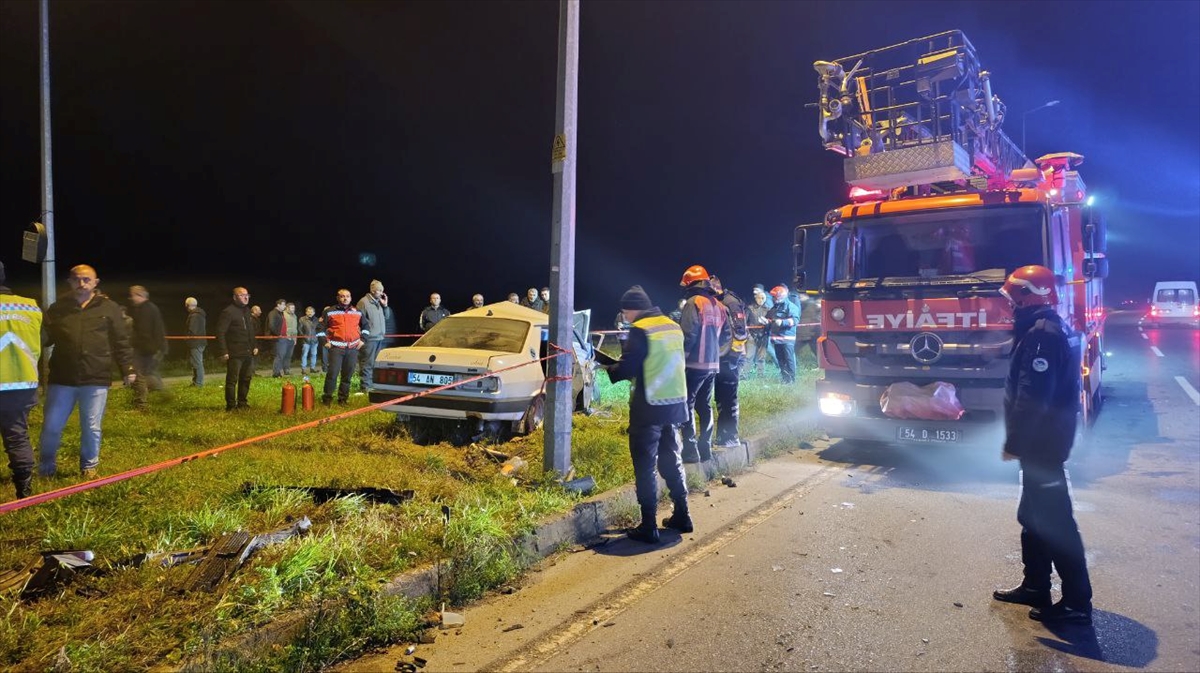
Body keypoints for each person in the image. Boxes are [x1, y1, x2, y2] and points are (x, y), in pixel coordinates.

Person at [992, 265, 1093, 625]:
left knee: (1055, 522)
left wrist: (1015, 443)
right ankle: (1035, 585)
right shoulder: (1041, 330)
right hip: (1042, 442)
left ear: (1030, 295)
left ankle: (1077, 602)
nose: (1010, 305)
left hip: (1042, 445)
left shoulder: (1041, 336)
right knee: (1032, 516)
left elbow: (1032, 398)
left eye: (1014, 297)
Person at [602, 285, 691, 544]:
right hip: (674, 404)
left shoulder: (641, 330)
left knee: (645, 465)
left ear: (632, 309)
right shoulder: (672, 325)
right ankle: (683, 515)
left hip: (648, 406)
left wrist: (609, 367)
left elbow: (629, 366)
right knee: (671, 458)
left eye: (625, 312)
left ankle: (649, 525)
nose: (625, 317)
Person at [38, 264, 136, 478]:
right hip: (62, 378)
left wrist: (128, 368)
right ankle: (46, 469)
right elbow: (45, 340)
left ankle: (89, 467)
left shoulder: (109, 308)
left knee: (91, 426)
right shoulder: (58, 308)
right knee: (52, 426)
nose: (81, 283)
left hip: (96, 377)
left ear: (95, 282)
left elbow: (121, 341)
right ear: (70, 282)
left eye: (86, 279)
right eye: (76, 279)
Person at [678, 265, 730, 469]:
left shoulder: (693, 303)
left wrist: (681, 359)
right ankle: (705, 448)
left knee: (688, 405)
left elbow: (688, 335)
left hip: (694, 365)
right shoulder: (719, 306)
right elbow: (727, 336)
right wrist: (716, 353)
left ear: (691, 284)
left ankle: (690, 452)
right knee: (704, 405)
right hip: (713, 364)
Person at [0, 262, 42, 499]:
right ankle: (24, 490)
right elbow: (43, 339)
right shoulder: (31, 307)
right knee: (17, 435)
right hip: (22, 384)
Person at [709, 275, 748, 448]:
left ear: (714, 289)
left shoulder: (730, 302)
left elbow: (740, 333)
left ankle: (731, 436)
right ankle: (723, 436)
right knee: (721, 397)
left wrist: (733, 359)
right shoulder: (718, 301)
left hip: (731, 358)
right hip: (722, 358)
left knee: (729, 398)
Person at [215, 287, 258, 412]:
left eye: (247, 295)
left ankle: (242, 403)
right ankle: (231, 406)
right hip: (235, 352)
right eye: (242, 295)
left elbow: (251, 331)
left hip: (248, 352)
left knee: (246, 378)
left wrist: (254, 345)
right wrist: (223, 351)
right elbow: (220, 332)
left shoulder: (247, 311)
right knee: (232, 380)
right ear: (235, 297)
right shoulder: (228, 312)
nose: (246, 297)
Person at [322, 289, 365, 405]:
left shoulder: (358, 312)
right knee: (332, 374)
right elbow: (319, 329)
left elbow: (366, 327)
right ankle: (327, 398)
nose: (345, 298)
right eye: (342, 296)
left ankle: (343, 399)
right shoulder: (329, 312)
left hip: (352, 349)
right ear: (338, 298)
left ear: (351, 298)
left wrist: (362, 340)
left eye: (347, 296)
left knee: (347, 375)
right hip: (336, 348)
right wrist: (325, 341)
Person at [127, 285, 167, 409]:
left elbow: (143, 331)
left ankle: (141, 404)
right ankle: (163, 393)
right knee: (150, 373)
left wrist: (134, 343)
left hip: (146, 348)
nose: (131, 298)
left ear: (140, 296)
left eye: (133, 295)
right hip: (153, 347)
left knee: (140, 375)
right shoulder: (151, 307)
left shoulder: (144, 310)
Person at [357, 280, 389, 390]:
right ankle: (366, 387)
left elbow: (387, 317)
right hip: (369, 339)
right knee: (367, 363)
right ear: (372, 290)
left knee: (376, 364)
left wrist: (385, 306)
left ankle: (374, 385)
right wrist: (362, 337)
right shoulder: (363, 302)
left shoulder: (379, 303)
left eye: (382, 290)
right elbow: (357, 321)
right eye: (379, 290)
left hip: (380, 337)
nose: (381, 293)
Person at [767, 286, 798, 384]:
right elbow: (770, 318)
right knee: (780, 359)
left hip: (787, 338)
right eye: (773, 297)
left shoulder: (791, 307)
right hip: (777, 338)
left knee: (789, 359)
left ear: (781, 296)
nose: (773, 298)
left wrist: (783, 322)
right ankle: (785, 379)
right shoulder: (775, 307)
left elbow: (795, 320)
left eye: (775, 297)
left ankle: (791, 380)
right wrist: (766, 321)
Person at [745, 284, 775, 377]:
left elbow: (772, 322)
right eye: (759, 298)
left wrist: (768, 323)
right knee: (749, 356)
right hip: (752, 336)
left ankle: (760, 375)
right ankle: (744, 375)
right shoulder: (750, 308)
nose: (760, 300)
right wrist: (748, 334)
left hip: (764, 336)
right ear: (755, 298)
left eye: (762, 298)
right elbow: (745, 322)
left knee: (761, 357)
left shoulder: (769, 309)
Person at [184, 297, 206, 386]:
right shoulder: (199, 314)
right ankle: (196, 381)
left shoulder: (195, 315)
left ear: (187, 305)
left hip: (196, 342)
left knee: (197, 363)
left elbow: (193, 330)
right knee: (195, 362)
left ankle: (198, 383)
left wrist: (187, 338)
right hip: (199, 342)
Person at [796, 293, 822, 368]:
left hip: (812, 333)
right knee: (793, 350)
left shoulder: (813, 305)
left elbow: (820, 315)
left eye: (801, 296)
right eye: (799, 297)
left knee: (817, 351)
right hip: (803, 334)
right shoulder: (800, 306)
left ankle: (820, 366)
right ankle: (794, 365)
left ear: (806, 296)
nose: (800, 298)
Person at [267, 299, 291, 377]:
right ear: (278, 305)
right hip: (278, 338)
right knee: (279, 355)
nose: (284, 306)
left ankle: (278, 372)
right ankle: (276, 373)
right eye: (283, 304)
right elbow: (271, 325)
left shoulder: (280, 313)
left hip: (282, 337)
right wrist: (278, 334)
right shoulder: (273, 313)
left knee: (281, 355)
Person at [298, 306, 320, 375]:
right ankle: (303, 369)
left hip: (315, 340)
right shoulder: (302, 319)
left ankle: (312, 368)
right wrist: (304, 337)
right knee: (304, 355)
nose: (310, 313)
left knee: (314, 355)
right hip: (305, 341)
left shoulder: (317, 319)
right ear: (306, 312)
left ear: (314, 312)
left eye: (311, 312)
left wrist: (318, 336)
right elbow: (299, 329)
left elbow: (319, 329)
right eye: (308, 311)